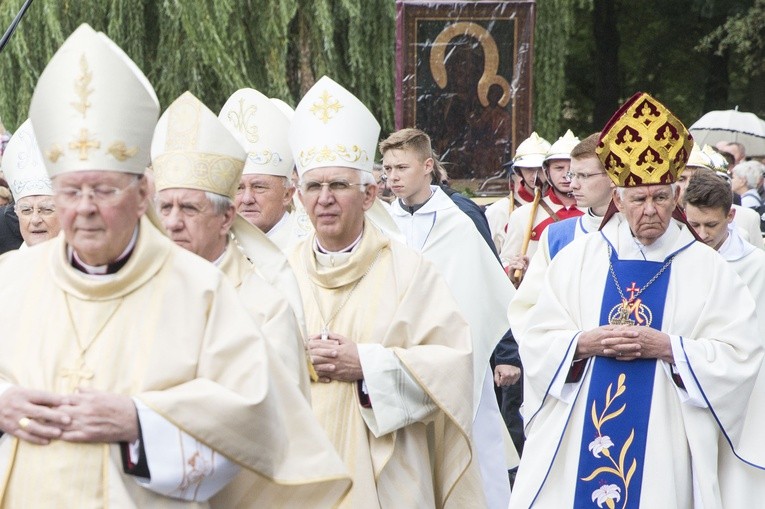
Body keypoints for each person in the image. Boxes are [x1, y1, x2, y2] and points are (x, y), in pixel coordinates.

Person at [0, 24, 349, 507]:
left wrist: (138, 421)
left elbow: (258, 418)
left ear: (143, 193)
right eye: (69, 192)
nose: (83, 208)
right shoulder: (10, 280)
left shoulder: (203, 293)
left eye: (102, 190)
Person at [508, 92, 763, 508]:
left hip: (666, 436)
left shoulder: (707, 268)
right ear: (618, 200)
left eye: (661, 198)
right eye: (639, 199)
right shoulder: (577, 260)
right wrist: (582, 344)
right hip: (581, 434)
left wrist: (669, 347)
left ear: (675, 198)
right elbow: (535, 338)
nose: (651, 211)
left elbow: (740, 356)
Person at [288, 75, 482, 507]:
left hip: (388, 469)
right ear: (298, 197)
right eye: (313, 187)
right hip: (298, 465)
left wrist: (367, 365)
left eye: (339, 185)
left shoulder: (410, 271)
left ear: (370, 194)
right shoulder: (277, 273)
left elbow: (454, 365)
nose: (325, 199)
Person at [382, 127, 516, 508]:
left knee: (472, 443)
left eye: (401, 167)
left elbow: (488, 289)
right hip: (401, 358)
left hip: (457, 358)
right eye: (387, 168)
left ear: (427, 166)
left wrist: (505, 354)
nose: (392, 177)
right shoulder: (382, 225)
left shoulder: (459, 222)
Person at [152, 91, 312, 397]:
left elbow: (275, 409)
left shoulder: (268, 309)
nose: (173, 222)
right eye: (165, 208)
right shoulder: (141, 289)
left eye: (188, 208)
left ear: (226, 218)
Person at [508, 132, 616, 336]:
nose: (573, 184)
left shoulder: (644, 234)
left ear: (613, 177)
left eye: (583, 175)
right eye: (572, 175)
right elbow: (527, 310)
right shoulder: (556, 236)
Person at [218, 88, 311, 253]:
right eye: (238, 188)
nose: (247, 199)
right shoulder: (217, 248)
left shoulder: (307, 249)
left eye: (258, 187)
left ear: (287, 194)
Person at [500, 130, 584, 283]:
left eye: (572, 168)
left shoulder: (598, 213)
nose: (566, 176)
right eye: (559, 168)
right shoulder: (522, 215)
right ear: (547, 171)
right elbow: (505, 259)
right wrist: (512, 270)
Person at [678, 143, 763, 248]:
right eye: (681, 179)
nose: (688, 186)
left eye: (696, 178)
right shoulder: (661, 224)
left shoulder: (746, 220)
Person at [485, 132, 549, 253]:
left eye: (540, 168)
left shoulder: (566, 205)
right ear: (519, 171)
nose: (535, 174)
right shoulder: (498, 211)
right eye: (529, 168)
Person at [1, 119, 61, 246]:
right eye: (26, 210)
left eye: (46, 209)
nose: (35, 220)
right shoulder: (7, 264)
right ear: (16, 213)